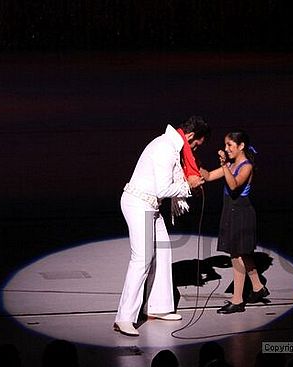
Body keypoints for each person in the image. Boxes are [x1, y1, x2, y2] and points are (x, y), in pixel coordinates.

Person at [114, 115, 210, 336]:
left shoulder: (171, 146)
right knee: (142, 259)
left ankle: (157, 307)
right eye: (196, 144)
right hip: (140, 204)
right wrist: (188, 185)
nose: (195, 150)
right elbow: (163, 190)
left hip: (151, 206)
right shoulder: (166, 148)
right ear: (192, 136)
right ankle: (124, 317)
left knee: (163, 251)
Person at [200, 129, 269, 314]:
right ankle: (257, 287)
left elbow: (234, 184)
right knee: (243, 253)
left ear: (241, 146)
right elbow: (207, 176)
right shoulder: (230, 164)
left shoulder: (246, 166)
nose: (226, 148)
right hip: (231, 212)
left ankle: (237, 301)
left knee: (236, 255)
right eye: (225, 145)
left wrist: (224, 165)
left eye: (230, 145)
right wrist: (192, 167)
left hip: (242, 213)